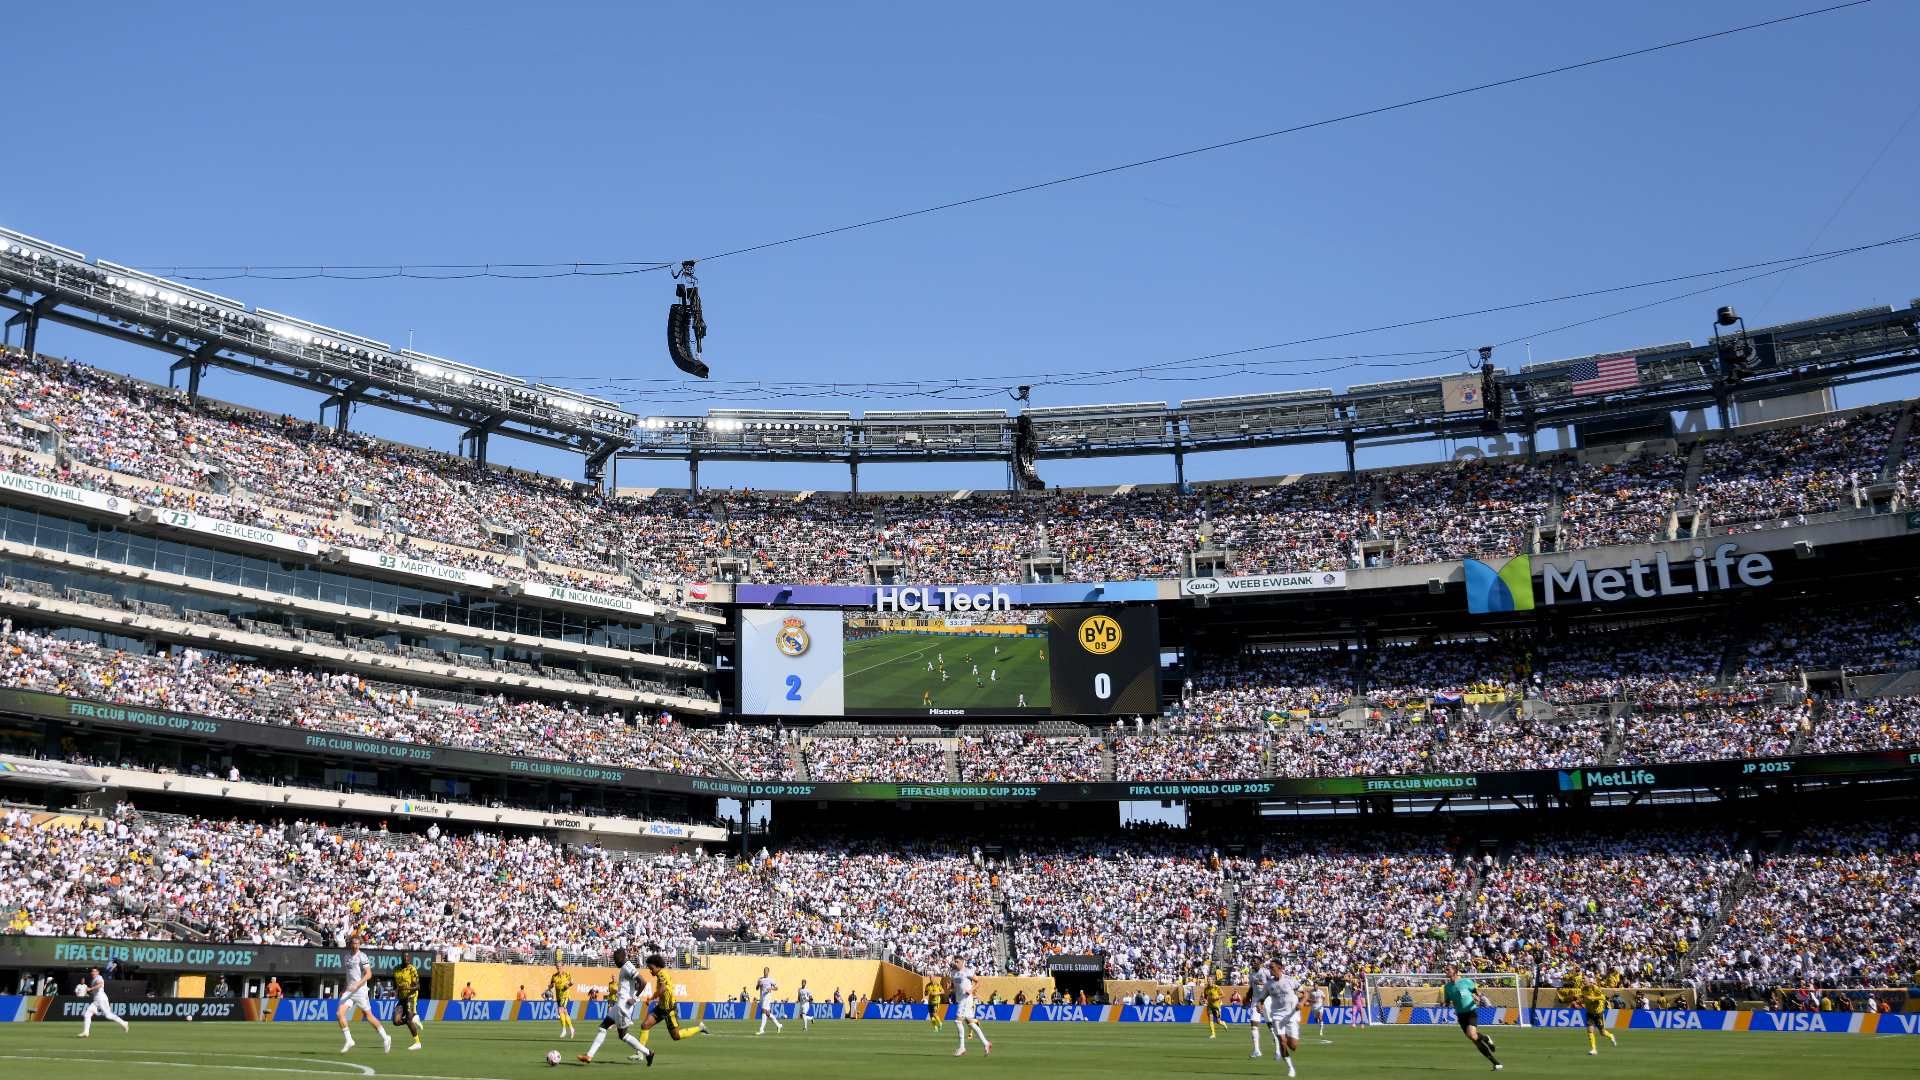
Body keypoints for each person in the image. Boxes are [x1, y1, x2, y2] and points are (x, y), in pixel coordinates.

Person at [579, 948, 652, 1065]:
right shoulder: (625, 967)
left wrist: (635, 998)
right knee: (603, 1027)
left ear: (621, 958)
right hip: (619, 1005)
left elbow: (643, 982)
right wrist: (634, 990)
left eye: (615, 959)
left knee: (623, 1035)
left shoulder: (628, 966)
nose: (615, 961)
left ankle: (648, 1052)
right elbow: (637, 983)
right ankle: (589, 1056)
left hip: (623, 1006)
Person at [336, 935, 391, 1055]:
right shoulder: (346, 957)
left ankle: (386, 1037)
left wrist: (357, 985)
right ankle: (349, 1040)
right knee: (339, 1014)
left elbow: (369, 974)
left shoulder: (362, 956)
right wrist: (346, 988)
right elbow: (350, 975)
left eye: (357, 943)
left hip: (360, 991)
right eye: (353, 943)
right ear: (350, 944)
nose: (355, 945)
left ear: (359, 944)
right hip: (349, 991)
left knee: (368, 1016)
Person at [638, 954, 708, 1047]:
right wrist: (652, 998)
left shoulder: (662, 974)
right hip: (661, 1007)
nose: (650, 971)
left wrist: (651, 998)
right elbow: (660, 990)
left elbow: (662, 989)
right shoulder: (660, 975)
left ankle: (700, 1028)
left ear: (658, 966)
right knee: (645, 1025)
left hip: (669, 1009)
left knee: (676, 1036)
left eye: (651, 968)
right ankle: (640, 1052)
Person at [1440, 967, 1500, 1071]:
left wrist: (1481, 998)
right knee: (1475, 1040)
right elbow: (1448, 1001)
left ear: (1455, 971)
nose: (1445, 971)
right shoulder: (1447, 987)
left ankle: (1486, 1039)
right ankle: (1495, 1063)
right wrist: (1444, 1004)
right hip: (1460, 1015)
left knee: (1472, 1035)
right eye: (1445, 970)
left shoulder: (1466, 981)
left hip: (1471, 1011)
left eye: (1448, 970)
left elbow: (1476, 991)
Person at [1260, 960, 1302, 1078]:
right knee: (1282, 1042)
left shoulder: (1290, 980)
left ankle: (1287, 1036)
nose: (1270, 969)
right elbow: (1261, 998)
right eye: (1269, 967)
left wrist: (1302, 1002)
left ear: (1280, 968)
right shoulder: (1269, 984)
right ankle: (1290, 1068)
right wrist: (1260, 1005)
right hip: (1277, 1015)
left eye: (1272, 967)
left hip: (1291, 1015)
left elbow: (1306, 993)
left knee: (1293, 1046)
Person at [949, 956, 991, 1057]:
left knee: (958, 1021)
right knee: (971, 1024)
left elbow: (979, 982)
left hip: (966, 999)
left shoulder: (968, 971)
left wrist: (971, 990)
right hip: (960, 1000)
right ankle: (986, 1043)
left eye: (957, 961)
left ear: (963, 962)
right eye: (955, 961)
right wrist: (950, 988)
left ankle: (962, 1047)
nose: (955, 963)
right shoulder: (953, 973)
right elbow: (954, 985)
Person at [1567, 974, 1617, 1056]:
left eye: (1584, 979)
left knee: (1602, 1032)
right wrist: (1578, 1003)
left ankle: (1611, 1036)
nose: (1583, 980)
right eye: (1582, 979)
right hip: (1590, 1012)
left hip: (1598, 1013)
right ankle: (1594, 1049)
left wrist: (1594, 998)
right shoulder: (1583, 989)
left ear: (1589, 981)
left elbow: (1603, 997)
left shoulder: (1595, 988)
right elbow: (1585, 999)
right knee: (1590, 1030)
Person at [78, 966, 128, 1038]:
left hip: (101, 999)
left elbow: (100, 984)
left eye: (95, 971)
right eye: (92, 971)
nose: (93, 972)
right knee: (87, 1014)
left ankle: (124, 1023)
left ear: (98, 972)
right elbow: (95, 990)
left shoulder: (99, 977)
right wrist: (88, 992)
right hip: (96, 1000)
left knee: (108, 1015)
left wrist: (90, 988)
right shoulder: (93, 980)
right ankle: (86, 1032)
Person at [392, 957, 424, 1051]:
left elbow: (417, 986)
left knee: (408, 1019)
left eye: (408, 958)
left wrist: (407, 989)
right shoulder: (396, 969)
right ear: (401, 959)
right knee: (396, 1021)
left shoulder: (412, 969)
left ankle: (417, 1043)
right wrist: (396, 990)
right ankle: (414, 1019)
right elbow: (396, 984)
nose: (407, 959)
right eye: (405, 958)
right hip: (402, 997)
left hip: (411, 996)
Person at [549, 961, 576, 1039]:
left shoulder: (566, 974)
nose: (558, 968)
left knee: (560, 1010)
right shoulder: (554, 976)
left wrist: (567, 986)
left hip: (565, 995)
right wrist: (550, 986)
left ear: (562, 966)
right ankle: (571, 1028)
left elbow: (572, 982)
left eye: (560, 966)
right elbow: (551, 985)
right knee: (565, 1012)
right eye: (557, 967)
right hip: (558, 996)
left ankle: (564, 1029)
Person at [756, 966, 784, 1034]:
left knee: (763, 1011)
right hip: (762, 997)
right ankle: (778, 1025)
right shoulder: (760, 979)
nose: (765, 972)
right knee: (767, 1013)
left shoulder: (771, 980)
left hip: (767, 996)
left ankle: (761, 1029)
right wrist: (758, 985)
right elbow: (757, 988)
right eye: (764, 971)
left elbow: (777, 988)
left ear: (768, 972)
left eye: (766, 971)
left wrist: (771, 989)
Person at [1203, 972, 1224, 1039]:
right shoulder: (1206, 989)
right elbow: (1205, 996)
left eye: (1210, 979)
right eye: (1208, 979)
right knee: (1210, 1019)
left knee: (1218, 1021)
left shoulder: (1216, 987)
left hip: (1216, 1006)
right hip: (1209, 1006)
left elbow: (1223, 995)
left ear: (1213, 980)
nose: (1209, 981)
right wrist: (1205, 1000)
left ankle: (1223, 1023)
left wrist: (1217, 998)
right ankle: (1213, 1034)